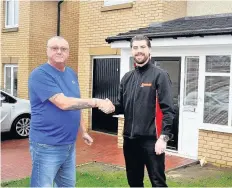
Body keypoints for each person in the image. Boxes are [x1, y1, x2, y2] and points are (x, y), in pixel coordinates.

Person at [28, 36, 114, 187]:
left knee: (68, 186)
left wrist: (83, 131)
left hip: (68, 145)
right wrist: (96, 102)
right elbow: (63, 103)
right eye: (55, 48)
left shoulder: (71, 74)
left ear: (68, 53)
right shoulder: (40, 74)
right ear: (47, 51)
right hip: (46, 146)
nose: (59, 51)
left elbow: (76, 104)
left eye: (64, 49)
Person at [110, 35, 175, 187]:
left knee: (158, 182)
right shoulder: (127, 78)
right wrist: (110, 107)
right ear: (132, 50)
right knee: (134, 182)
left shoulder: (160, 75)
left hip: (152, 140)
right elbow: (121, 105)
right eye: (135, 48)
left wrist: (163, 137)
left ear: (149, 49)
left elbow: (169, 110)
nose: (139, 51)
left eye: (142, 47)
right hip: (130, 140)